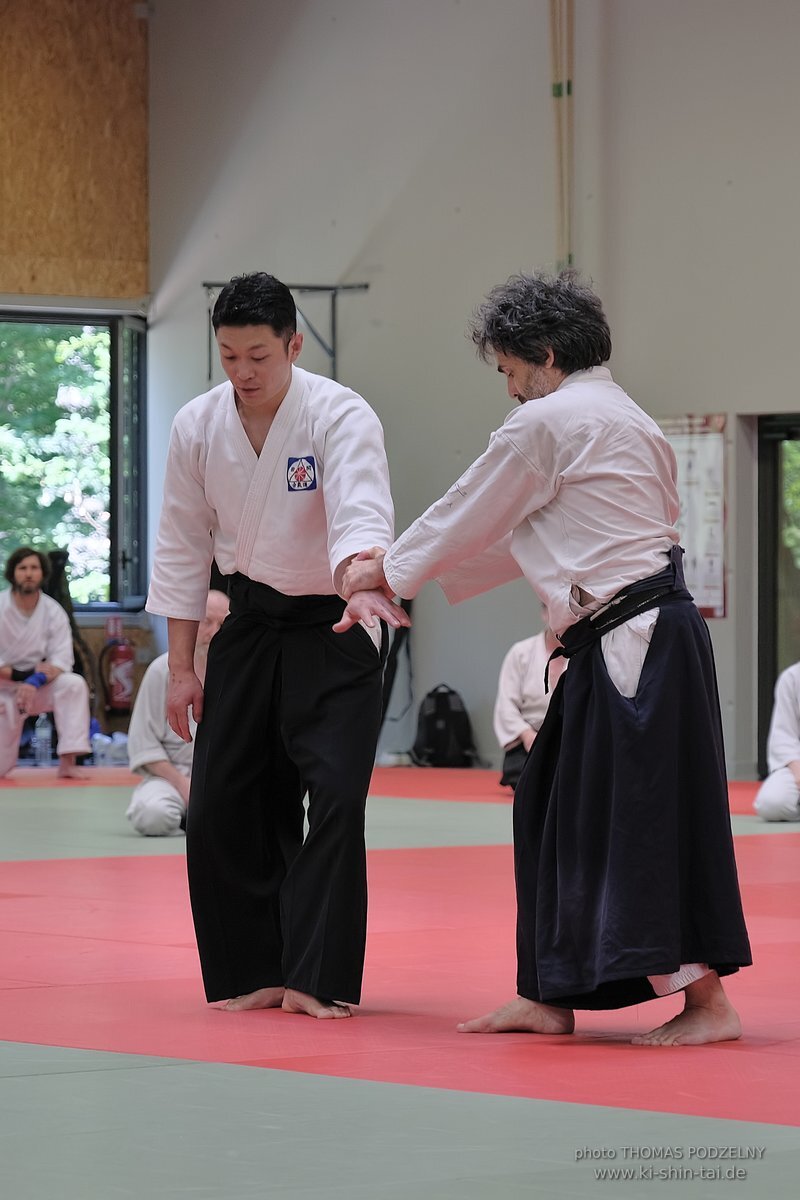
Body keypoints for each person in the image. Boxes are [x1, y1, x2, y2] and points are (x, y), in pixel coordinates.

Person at [341, 270, 751, 1046]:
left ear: (546, 355)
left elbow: (469, 508)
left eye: (508, 370)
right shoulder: (625, 415)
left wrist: (386, 572)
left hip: (634, 646)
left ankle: (708, 1005)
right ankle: (548, 992)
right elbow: (518, 531)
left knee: (637, 821)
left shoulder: (550, 423)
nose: (509, 389)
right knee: (549, 808)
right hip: (643, 638)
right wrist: (405, 576)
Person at [146, 271, 407, 1020]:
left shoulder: (339, 414)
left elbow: (362, 511)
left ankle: (318, 977)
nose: (244, 374)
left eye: (258, 355)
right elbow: (180, 550)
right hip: (250, 624)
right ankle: (250, 968)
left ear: (294, 344)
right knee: (226, 802)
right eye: (228, 356)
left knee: (333, 798)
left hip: (336, 623)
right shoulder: (198, 425)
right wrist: (184, 667)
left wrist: (363, 577)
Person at [125, 589, 230, 836]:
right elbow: (144, 745)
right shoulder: (162, 670)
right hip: (171, 776)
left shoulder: (237, 674)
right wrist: (185, 786)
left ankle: (203, 819)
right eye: (206, 622)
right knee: (152, 816)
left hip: (223, 778)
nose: (214, 632)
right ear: (191, 623)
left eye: (223, 624)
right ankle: (192, 820)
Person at [0, 547, 91, 779]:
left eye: (34, 568)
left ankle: (68, 762)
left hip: (39, 687)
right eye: (22, 568)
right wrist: (24, 677)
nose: (28, 574)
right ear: (13, 573)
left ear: (42, 573)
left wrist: (34, 681)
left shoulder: (53, 611)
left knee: (72, 684)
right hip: (3, 689)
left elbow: (61, 661)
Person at [493, 612, 566, 788]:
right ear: (544, 613)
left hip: (568, 739)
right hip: (529, 739)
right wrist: (527, 735)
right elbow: (506, 706)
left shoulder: (585, 654)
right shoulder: (521, 653)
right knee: (528, 780)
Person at [754, 662, 800, 821]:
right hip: (797, 764)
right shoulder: (793, 678)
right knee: (771, 803)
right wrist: (797, 771)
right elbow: (784, 735)